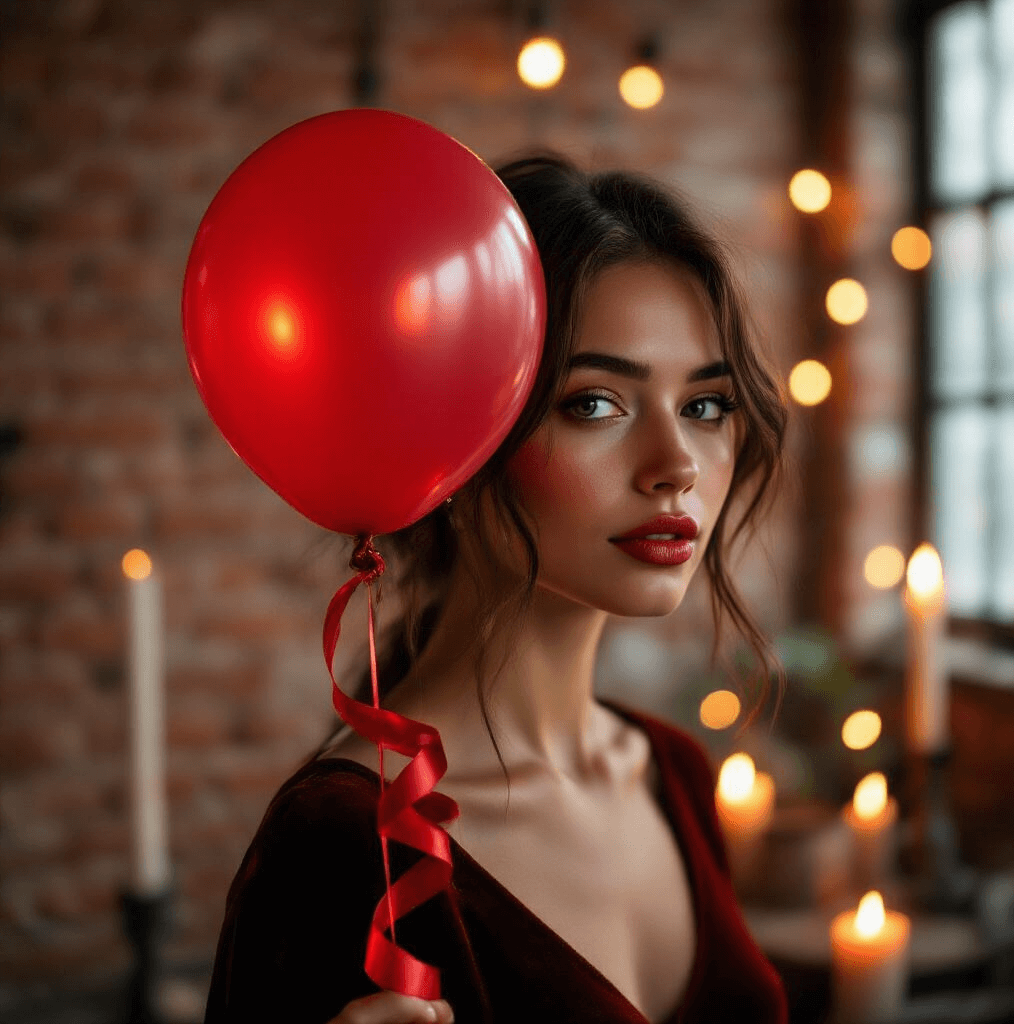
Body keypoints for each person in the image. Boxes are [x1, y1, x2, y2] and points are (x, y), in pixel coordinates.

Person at [204, 154, 789, 1024]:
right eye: (593, 404)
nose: (677, 468)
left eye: (705, 406)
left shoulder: (676, 773)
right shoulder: (341, 843)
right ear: (459, 436)